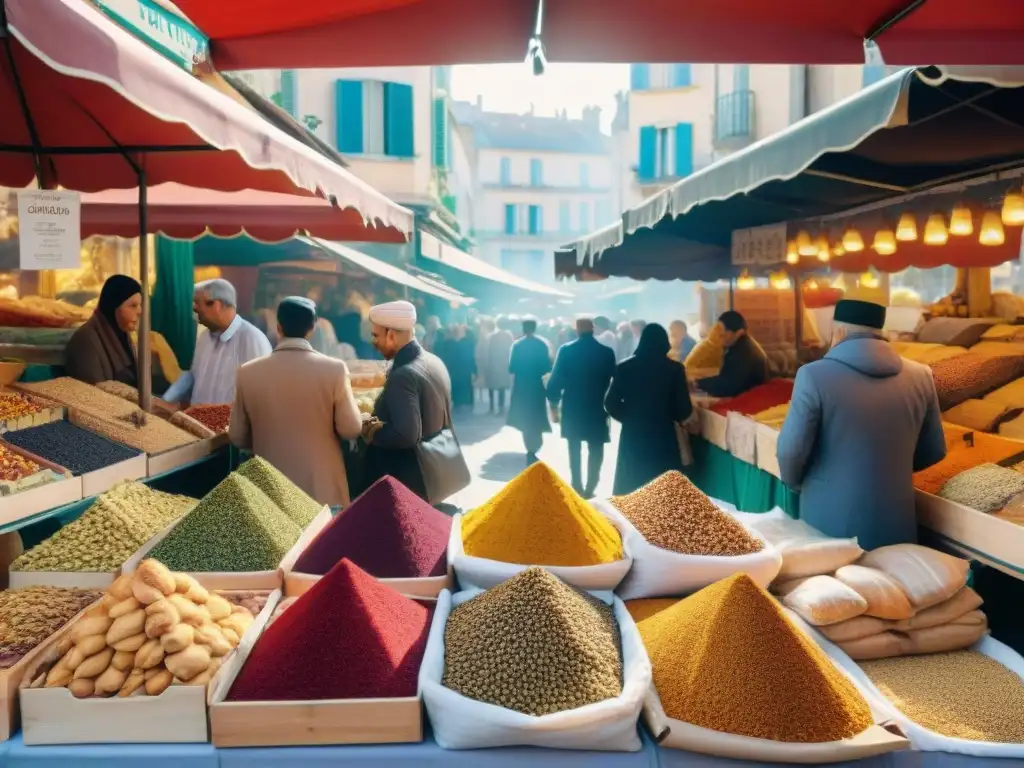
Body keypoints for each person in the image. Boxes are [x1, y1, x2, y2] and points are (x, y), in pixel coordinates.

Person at [776, 300, 947, 550]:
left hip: (828, 527)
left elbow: (790, 452)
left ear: (840, 333)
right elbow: (934, 451)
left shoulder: (813, 376)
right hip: (897, 523)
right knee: (892, 589)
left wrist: (795, 483)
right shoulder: (921, 376)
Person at [229, 297, 362, 507]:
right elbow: (351, 428)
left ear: (279, 327)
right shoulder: (334, 369)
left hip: (269, 490)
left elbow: (237, 436)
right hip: (321, 489)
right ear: (312, 329)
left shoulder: (247, 372)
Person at [360, 300, 455, 501]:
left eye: (376, 335)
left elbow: (405, 435)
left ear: (391, 335)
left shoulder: (403, 375)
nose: (373, 342)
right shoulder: (433, 361)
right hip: (433, 476)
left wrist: (370, 428)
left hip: (406, 484)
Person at [605, 323, 693, 495]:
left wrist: (630, 418)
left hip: (633, 435)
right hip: (663, 436)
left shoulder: (624, 367)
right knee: (663, 489)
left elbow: (610, 403)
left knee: (633, 485)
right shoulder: (675, 370)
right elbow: (684, 409)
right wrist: (668, 416)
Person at [163, 279, 271, 406]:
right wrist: (165, 400)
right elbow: (193, 376)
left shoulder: (252, 339)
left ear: (217, 304)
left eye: (198, 303)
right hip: (196, 421)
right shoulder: (204, 338)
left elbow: (263, 394)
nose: (194, 309)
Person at [547, 316, 617, 498]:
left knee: (574, 445)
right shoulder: (606, 352)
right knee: (596, 445)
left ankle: (576, 483)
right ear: (593, 329)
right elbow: (616, 380)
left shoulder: (566, 350)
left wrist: (553, 401)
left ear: (576, 330)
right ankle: (591, 485)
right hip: (597, 405)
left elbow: (555, 380)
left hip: (573, 405)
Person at [65, 275, 143, 386]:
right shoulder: (86, 341)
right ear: (113, 307)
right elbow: (92, 394)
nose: (140, 311)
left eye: (140, 305)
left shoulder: (123, 335)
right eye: (133, 306)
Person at [507, 317, 552, 465]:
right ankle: (536, 441)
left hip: (522, 385)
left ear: (523, 329)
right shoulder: (542, 345)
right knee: (537, 412)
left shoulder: (517, 345)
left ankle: (529, 444)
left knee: (524, 414)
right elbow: (548, 367)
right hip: (537, 385)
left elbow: (511, 367)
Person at [695, 310, 768, 397]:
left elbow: (729, 386)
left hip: (749, 400)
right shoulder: (741, 345)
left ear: (738, 332)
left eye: (722, 333)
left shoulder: (744, 352)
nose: (719, 335)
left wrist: (698, 383)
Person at [484, 317, 514, 415]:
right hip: (504, 364)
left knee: (491, 387)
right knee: (502, 387)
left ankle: (491, 407)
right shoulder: (509, 336)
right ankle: (501, 408)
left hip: (493, 363)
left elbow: (489, 351)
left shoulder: (493, 336)